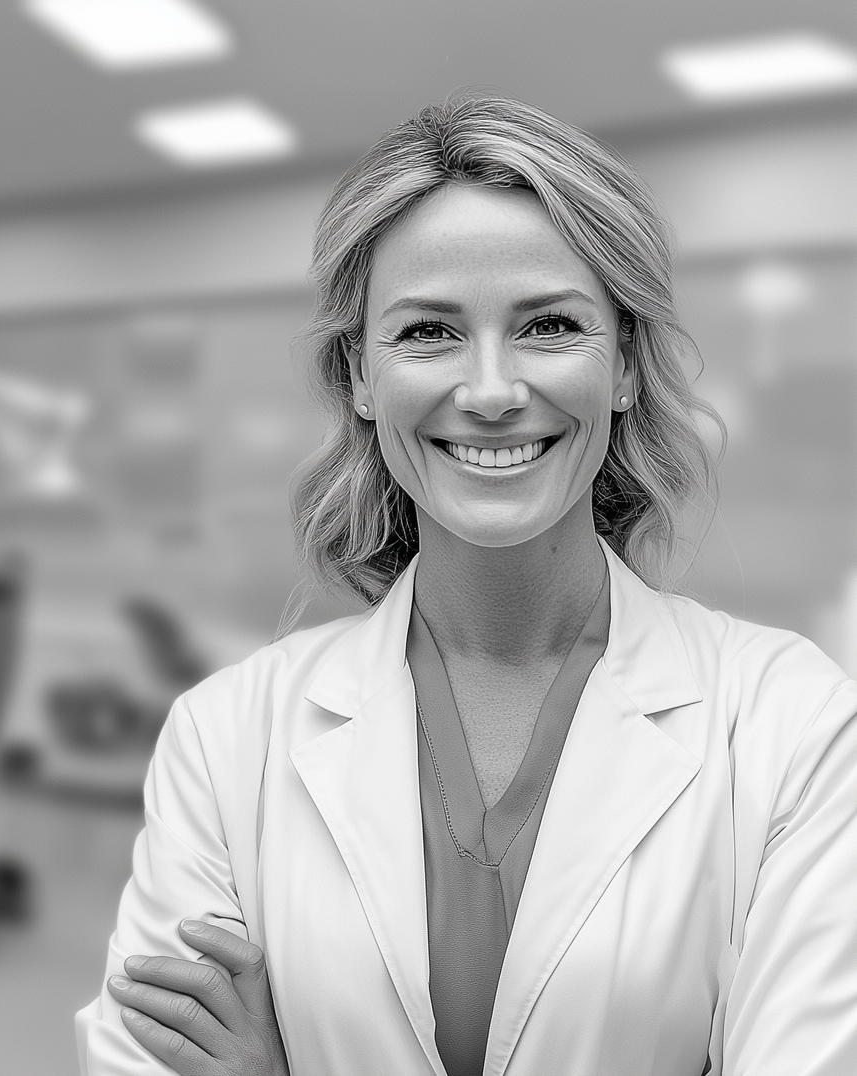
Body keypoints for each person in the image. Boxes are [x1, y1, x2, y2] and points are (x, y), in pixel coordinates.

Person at [76, 94, 857, 1076]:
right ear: (360, 377)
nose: (489, 391)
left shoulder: (790, 726)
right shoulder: (226, 737)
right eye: (427, 333)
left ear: (621, 364)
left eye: (548, 324)